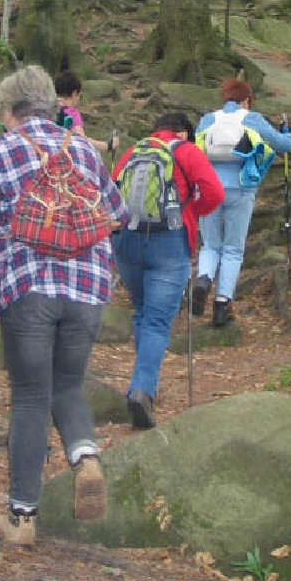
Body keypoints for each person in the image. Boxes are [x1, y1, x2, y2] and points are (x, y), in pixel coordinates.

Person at [0, 65, 126, 548]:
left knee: (29, 397)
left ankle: (22, 519)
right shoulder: (84, 150)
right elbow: (118, 214)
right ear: (52, 106)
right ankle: (85, 457)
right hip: (88, 289)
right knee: (68, 385)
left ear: (9, 111)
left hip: (28, 288)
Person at [111, 112, 224, 429]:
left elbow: (111, 193)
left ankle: (144, 382)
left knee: (142, 311)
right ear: (184, 133)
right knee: (158, 321)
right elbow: (215, 192)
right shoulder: (187, 152)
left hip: (128, 242)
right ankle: (142, 390)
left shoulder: (133, 152)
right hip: (169, 244)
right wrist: (191, 211)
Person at [192, 80, 291, 327]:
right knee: (233, 249)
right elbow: (285, 145)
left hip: (208, 187)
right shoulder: (252, 119)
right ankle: (221, 304)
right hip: (241, 186)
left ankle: (204, 279)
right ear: (246, 100)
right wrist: (286, 131)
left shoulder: (208, 119)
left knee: (210, 244)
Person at [53, 69, 118, 154]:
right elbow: (82, 140)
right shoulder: (72, 114)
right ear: (74, 94)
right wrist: (106, 146)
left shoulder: (48, 108)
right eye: (79, 95)